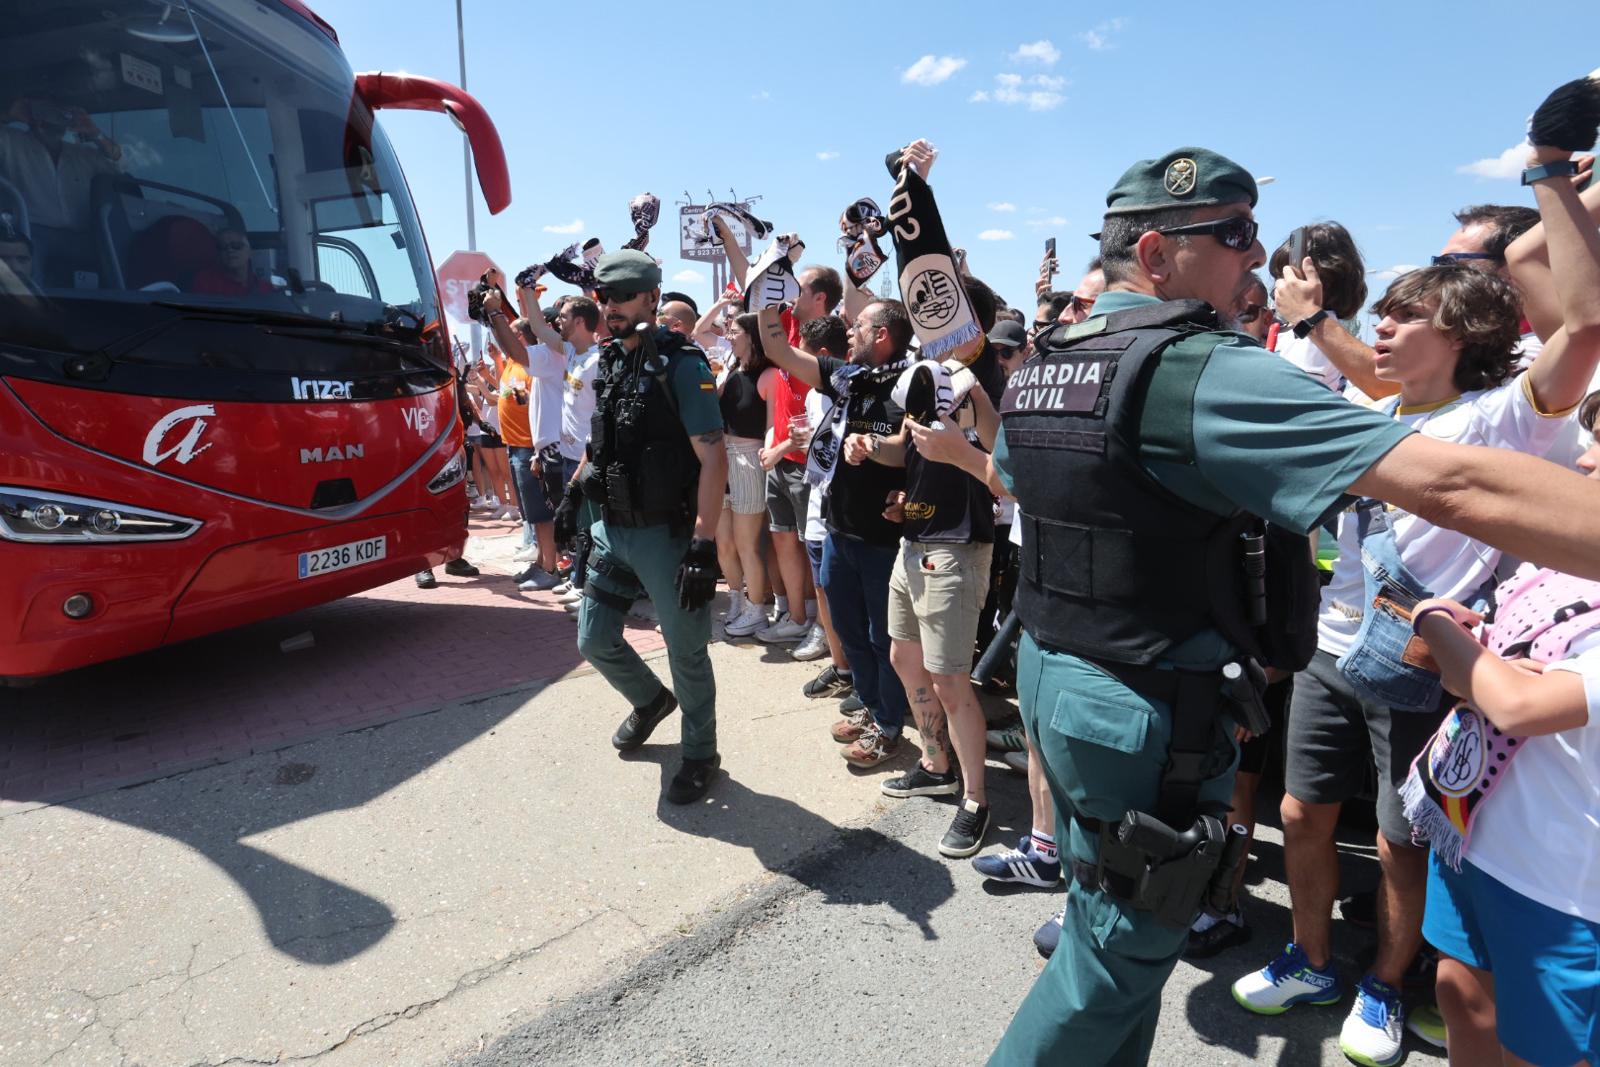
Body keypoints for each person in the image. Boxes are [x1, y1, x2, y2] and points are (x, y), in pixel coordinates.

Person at [904, 144, 1600, 1067]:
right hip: (1142, 708)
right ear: (1155, 257)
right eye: (1232, 235)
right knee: (1111, 963)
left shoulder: (1049, 359)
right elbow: (1455, 482)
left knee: (1111, 937)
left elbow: (1019, 481)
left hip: (1060, 679)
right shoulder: (1201, 368)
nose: (1256, 254)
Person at [1232, 127, 1600, 1066]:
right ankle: (1310, 956)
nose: (1383, 329)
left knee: (1406, 843)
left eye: (1404, 316)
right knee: (1302, 814)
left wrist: (1558, 179)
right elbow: (1349, 379)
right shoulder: (1372, 407)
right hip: (1333, 645)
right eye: (1382, 313)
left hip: (1427, 663)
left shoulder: (1507, 417)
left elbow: (1580, 329)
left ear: (1465, 334)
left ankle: (1383, 989)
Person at [1409, 391, 1600, 1067]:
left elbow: (1516, 703)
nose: (1581, 458)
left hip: (1562, 888)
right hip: (1475, 837)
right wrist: (1479, 654)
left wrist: (1431, 621)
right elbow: (1490, 677)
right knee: (1459, 993)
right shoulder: (1560, 565)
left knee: (1541, 1052)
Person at [569, 250, 729, 805]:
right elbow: (602, 440)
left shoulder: (683, 366)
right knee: (593, 638)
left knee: (686, 652)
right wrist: (576, 494)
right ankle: (649, 700)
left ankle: (700, 751)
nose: (610, 307)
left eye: (623, 297)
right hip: (612, 528)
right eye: (604, 297)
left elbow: (713, 459)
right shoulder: (611, 360)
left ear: (651, 298)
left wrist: (704, 545)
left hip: (666, 535)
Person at [757, 298, 911, 768]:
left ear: (882, 335)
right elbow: (780, 351)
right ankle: (870, 706)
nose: (849, 330)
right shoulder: (847, 377)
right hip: (841, 531)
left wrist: (874, 448)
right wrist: (765, 296)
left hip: (884, 542)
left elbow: (910, 449)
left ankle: (889, 726)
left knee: (885, 640)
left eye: (859, 324)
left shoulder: (912, 383)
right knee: (847, 630)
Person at [715, 312, 775, 638]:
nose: (728, 336)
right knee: (724, 543)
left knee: (746, 543)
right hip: (722, 458)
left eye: (734, 331)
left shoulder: (768, 374)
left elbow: (771, 425)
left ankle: (756, 610)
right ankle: (737, 600)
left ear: (751, 335)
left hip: (749, 458)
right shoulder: (730, 369)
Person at [190, 227, 273, 297]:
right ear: (219, 254)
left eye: (236, 245)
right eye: (223, 247)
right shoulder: (205, 282)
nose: (230, 250)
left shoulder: (266, 289)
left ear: (250, 252)